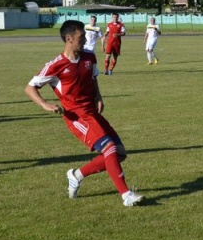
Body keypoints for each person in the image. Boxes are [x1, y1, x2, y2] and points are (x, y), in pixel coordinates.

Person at [25, 20, 144, 207]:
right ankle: (126, 195)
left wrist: (98, 96)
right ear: (69, 39)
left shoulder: (89, 56)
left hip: (92, 112)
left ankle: (76, 175)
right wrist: (44, 104)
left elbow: (93, 77)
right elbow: (30, 87)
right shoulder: (56, 65)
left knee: (120, 153)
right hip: (76, 116)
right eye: (81, 37)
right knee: (110, 148)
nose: (86, 39)